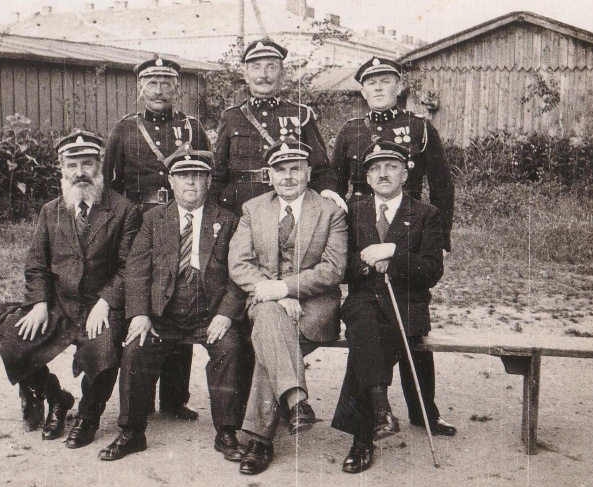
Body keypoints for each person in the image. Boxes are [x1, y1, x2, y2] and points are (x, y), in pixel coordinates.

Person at [0, 129, 140, 450]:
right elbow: (36, 265)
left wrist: (106, 301)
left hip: (100, 307)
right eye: (72, 165)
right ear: (61, 168)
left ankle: (88, 416)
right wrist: (40, 303)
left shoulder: (124, 210)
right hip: (59, 305)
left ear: (100, 164)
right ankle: (56, 397)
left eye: (87, 164)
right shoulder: (51, 211)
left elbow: (129, 267)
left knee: (105, 351)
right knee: (10, 335)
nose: (79, 173)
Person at [331, 56, 456, 436]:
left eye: (385, 80)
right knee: (374, 318)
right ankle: (379, 413)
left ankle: (422, 411)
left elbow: (442, 184)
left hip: (410, 223)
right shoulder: (351, 130)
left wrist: (440, 241)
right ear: (362, 90)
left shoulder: (420, 127)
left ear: (399, 86)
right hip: (365, 222)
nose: (378, 87)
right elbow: (335, 185)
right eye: (371, 82)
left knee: (410, 324)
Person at [99, 151, 247, 463]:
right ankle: (131, 432)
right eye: (183, 175)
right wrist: (140, 314)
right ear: (171, 180)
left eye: (198, 175)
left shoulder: (227, 220)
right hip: (163, 314)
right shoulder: (154, 219)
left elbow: (240, 274)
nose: (191, 182)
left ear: (209, 180)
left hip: (209, 314)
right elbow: (137, 270)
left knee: (231, 349)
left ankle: (227, 431)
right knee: (135, 349)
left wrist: (225, 314)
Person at [228, 140, 348, 475]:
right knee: (270, 318)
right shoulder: (253, 209)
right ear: (269, 175)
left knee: (269, 339)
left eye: (296, 168)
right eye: (280, 170)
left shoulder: (330, 211)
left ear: (308, 172)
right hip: (267, 302)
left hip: (314, 307)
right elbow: (239, 263)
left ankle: (261, 439)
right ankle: (294, 404)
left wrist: (285, 287)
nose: (288, 176)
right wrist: (277, 295)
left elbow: (333, 269)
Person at [103, 56, 212, 421]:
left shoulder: (193, 126)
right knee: (150, 296)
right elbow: (111, 184)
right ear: (140, 87)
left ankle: (174, 399)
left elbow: (206, 175)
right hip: (142, 222)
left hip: (184, 216)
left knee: (181, 291)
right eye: (152, 83)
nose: (160, 90)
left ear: (176, 88)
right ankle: (141, 399)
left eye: (167, 83)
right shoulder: (125, 128)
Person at [331, 141, 444, 473]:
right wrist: (367, 262)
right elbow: (339, 266)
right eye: (375, 168)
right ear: (367, 178)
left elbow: (432, 271)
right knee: (366, 322)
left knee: (368, 339)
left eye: (391, 166)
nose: (383, 174)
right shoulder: (352, 212)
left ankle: (363, 437)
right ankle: (380, 412)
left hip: (406, 305)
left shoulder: (426, 214)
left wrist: (393, 255)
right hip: (363, 301)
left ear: (405, 174)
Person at [211, 38, 346, 215]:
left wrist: (327, 191)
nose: (263, 75)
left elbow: (320, 168)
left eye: (271, 67)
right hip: (240, 207)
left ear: (282, 74)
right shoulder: (231, 117)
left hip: (289, 204)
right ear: (246, 75)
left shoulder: (301, 115)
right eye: (256, 67)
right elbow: (218, 174)